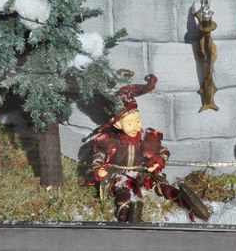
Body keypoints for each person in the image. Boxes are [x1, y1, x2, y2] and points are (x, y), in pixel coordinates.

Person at [85, 73, 210, 223]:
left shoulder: (144, 137)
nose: (137, 126)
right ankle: (128, 214)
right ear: (118, 124)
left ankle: (188, 201)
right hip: (120, 176)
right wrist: (99, 168)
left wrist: (157, 162)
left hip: (143, 174)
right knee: (123, 193)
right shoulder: (111, 140)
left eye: (138, 121)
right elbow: (98, 155)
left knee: (161, 186)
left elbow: (163, 151)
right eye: (130, 123)